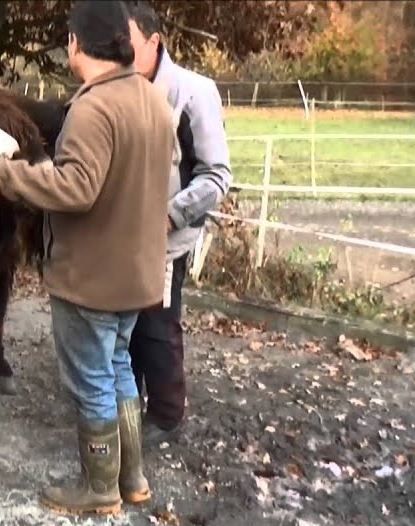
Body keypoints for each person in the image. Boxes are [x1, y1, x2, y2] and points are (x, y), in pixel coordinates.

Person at [0, 0, 175, 516]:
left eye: (68, 38)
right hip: (136, 274)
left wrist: (4, 175)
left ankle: (99, 487)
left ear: (78, 43)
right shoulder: (150, 99)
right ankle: (133, 478)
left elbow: (76, 187)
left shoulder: (93, 106)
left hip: (92, 276)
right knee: (120, 370)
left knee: (91, 380)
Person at [125, 1, 233, 446]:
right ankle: (125, 405)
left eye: (125, 43)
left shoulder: (192, 92)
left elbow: (216, 174)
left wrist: (170, 215)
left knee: (157, 323)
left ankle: (166, 416)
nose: (115, 52)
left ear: (153, 42)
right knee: (123, 323)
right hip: (122, 236)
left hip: (166, 236)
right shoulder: (116, 90)